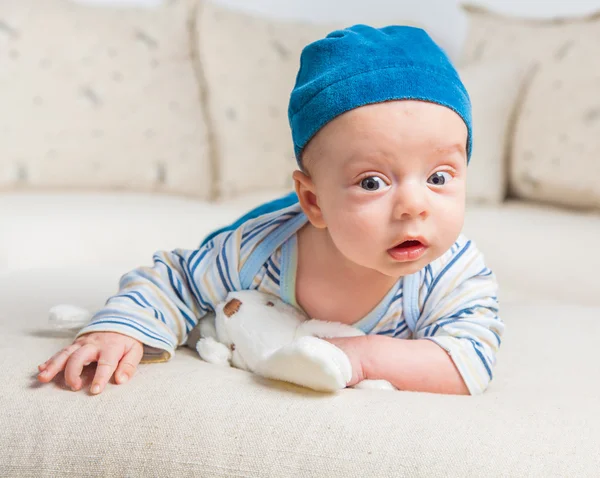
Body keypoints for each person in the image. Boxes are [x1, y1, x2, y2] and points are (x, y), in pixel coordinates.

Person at [37, 25, 504, 396]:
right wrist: (121, 331)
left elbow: (470, 361)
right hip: (270, 233)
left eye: (439, 177)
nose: (413, 206)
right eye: (372, 182)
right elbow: (177, 280)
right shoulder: (257, 251)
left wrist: (356, 357)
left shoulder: (454, 272)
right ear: (314, 200)